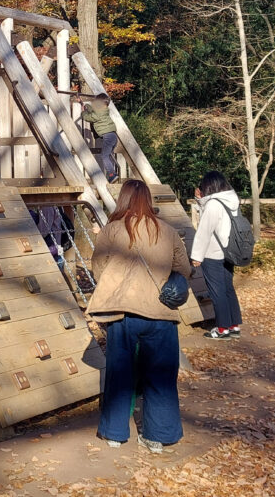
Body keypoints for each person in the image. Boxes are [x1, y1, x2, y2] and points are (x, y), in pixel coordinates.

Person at [85, 179, 191, 453]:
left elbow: (99, 268)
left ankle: (114, 434)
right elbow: (183, 268)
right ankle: (159, 437)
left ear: (124, 199)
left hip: (123, 313)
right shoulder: (167, 231)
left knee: (120, 373)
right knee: (161, 377)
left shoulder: (112, 231)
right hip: (161, 313)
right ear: (147, 199)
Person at [191, 171, 243, 340]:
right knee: (228, 289)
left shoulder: (213, 204)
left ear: (210, 186)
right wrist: (201, 201)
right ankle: (233, 325)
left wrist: (197, 256)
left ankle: (222, 329)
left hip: (213, 254)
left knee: (217, 291)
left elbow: (205, 230)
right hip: (229, 252)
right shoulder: (232, 200)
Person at [80, 93, 119, 183]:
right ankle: (112, 175)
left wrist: (83, 111)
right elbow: (92, 110)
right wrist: (85, 105)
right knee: (108, 155)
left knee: (104, 156)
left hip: (107, 136)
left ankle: (112, 174)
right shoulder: (104, 110)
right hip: (113, 135)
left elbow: (88, 117)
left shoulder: (98, 114)